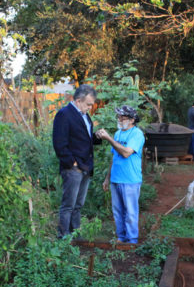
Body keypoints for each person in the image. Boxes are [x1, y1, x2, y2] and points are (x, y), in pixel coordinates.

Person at [52, 84, 106, 239]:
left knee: (78, 205)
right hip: (73, 168)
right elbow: (59, 144)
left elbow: (83, 139)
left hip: (86, 166)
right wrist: (72, 163)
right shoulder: (64, 114)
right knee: (68, 205)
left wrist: (96, 137)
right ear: (78, 100)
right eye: (88, 104)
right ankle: (64, 237)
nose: (90, 107)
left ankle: (76, 235)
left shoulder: (84, 115)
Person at [100, 105, 145, 244]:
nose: (119, 119)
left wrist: (108, 138)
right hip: (116, 179)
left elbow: (125, 153)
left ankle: (132, 240)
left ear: (132, 120)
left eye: (122, 117)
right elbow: (114, 158)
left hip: (130, 180)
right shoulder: (118, 134)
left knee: (130, 212)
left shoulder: (137, 134)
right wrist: (107, 178)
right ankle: (121, 237)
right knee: (118, 211)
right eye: (118, 116)